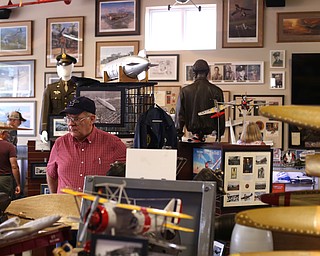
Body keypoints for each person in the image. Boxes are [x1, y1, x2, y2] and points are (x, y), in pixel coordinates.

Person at [46, 96, 127, 193]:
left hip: (97, 206)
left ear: (92, 119)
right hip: (65, 206)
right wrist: (55, 199)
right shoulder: (60, 143)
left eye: (76, 119)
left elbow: (129, 178)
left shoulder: (113, 144)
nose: (70, 124)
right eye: (68, 119)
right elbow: (51, 174)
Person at [175, 59, 225, 142]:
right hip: (209, 135)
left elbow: (180, 116)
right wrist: (219, 135)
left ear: (194, 73)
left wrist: (178, 134)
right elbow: (220, 116)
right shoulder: (217, 91)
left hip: (192, 134)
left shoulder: (185, 91)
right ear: (208, 73)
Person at [40, 52, 77, 143]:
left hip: (75, 130)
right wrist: (43, 129)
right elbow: (45, 110)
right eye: (62, 66)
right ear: (58, 68)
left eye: (68, 66)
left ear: (72, 67)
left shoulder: (78, 88)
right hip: (56, 131)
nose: (65, 69)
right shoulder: (50, 88)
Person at [0, 130, 21, 199]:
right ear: (2, 134)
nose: (8, 135)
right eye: (7, 133)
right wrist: (18, 184)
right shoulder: (9, 146)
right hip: (4, 179)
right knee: (5, 202)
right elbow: (14, 166)